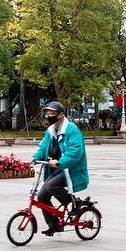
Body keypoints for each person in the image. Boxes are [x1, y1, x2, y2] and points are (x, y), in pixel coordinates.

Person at [30, 101, 90, 236]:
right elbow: (43, 147)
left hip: (70, 169)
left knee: (51, 186)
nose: (48, 116)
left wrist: (60, 162)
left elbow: (75, 152)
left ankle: (75, 202)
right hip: (56, 169)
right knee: (42, 196)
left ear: (61, 115)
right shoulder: (51, 130)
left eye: (52, 114)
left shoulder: (72, 130)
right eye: (47, 113)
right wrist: (35, 157)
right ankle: (54, 225)